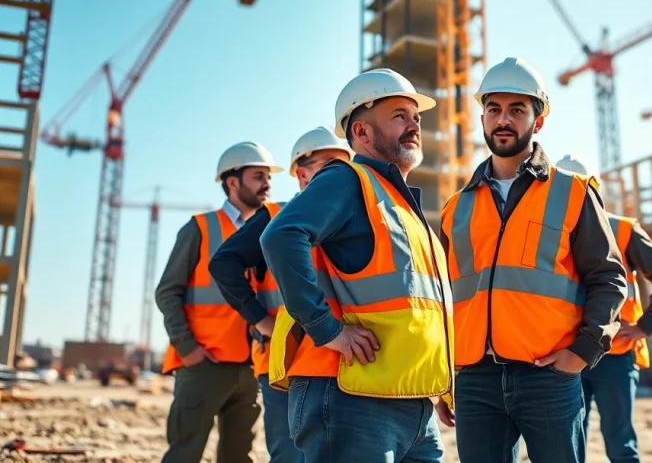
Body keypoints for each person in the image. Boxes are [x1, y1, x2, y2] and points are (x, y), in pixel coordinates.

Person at [435, 57, 629, 463]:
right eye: (493, 109)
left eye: (517, 110)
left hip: (549, 376)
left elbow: (609, 279)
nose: (503, 119)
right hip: (474, 379)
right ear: (483, 119)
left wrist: (582, 353)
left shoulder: (573, 191)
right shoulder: (456, 207)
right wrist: (442, 372)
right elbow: (443, 299)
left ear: (537, 122)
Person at [260, 68, 454, 463]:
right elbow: (280, 236)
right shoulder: (347, 179)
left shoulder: (399, 204)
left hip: (410, 399)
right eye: (399, 115)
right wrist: (325, 328)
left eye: (415, 116)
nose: (414, 125)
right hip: (349, 397)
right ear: (362, 132)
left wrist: (442, 385)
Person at [208, 127, 353, 463]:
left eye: (345, 165)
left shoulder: (352, 219)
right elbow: (223, 264)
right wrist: (261, 321)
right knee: (291, 455)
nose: (341, 174)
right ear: (302, 174)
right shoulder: (275, 216)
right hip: (286, 362)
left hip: (342, 358)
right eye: (329, 165)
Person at [155, 141, 283, 463]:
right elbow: (167, 291)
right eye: (258, 176)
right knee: (184, 453)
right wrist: (187, 349)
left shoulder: (272, 229)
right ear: (233, 182)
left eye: (268, 177)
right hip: (204, 363)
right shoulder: (200, 228)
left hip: (251, 365)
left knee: (238, 456)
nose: (267, 184)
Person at [556, 154, 652, 463]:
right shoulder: (548, 231)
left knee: (621, 445)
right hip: (564, 354)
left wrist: (645, 326)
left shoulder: (622, 230)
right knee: (566, 447)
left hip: (614, 354)